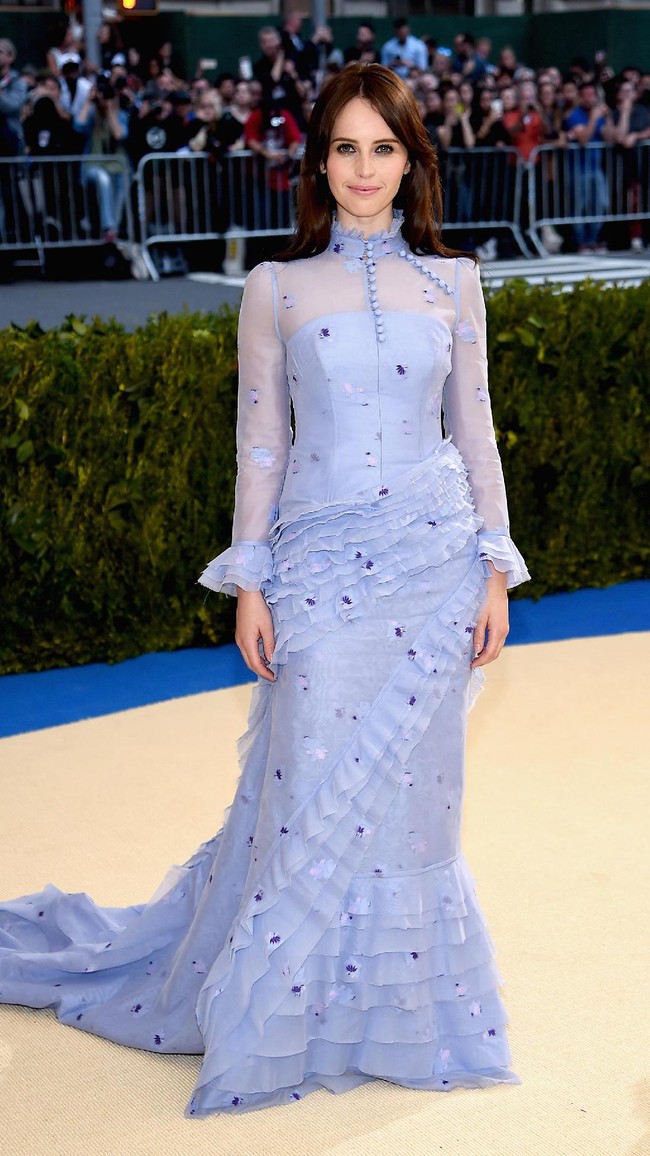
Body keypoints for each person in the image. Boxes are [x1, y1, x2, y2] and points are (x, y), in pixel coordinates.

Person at [0, 62, 528, 1117]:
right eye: (345, 147)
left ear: (411, 162)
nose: (364, 168)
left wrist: (492, 567)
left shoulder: (455, 281)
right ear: (319, 162)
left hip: (432, 570)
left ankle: (398, 1020)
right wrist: (251, 581)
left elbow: (473, 430)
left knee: (416, 803)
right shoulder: (275, 289)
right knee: (304, 792)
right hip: (317, 574)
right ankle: (283, 1019)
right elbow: (262, 446)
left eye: (384, 148)